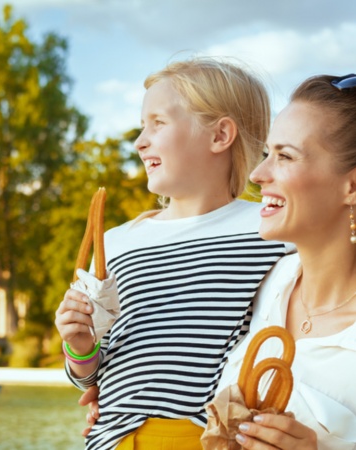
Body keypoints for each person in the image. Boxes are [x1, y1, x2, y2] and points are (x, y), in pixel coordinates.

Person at [55, 57, 293, 450]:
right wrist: (79, 346)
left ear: (220, 136)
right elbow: (93, 375)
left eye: (158, 123)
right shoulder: (117, 242)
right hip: (113, 440)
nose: (139, 141)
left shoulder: (272, 232)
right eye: (141, 126)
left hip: (203, 438)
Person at [212, 73, 356, 449]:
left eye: (285, 156)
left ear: (352, 186)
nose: (258, 175)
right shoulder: (265, 282)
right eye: (265, 155)